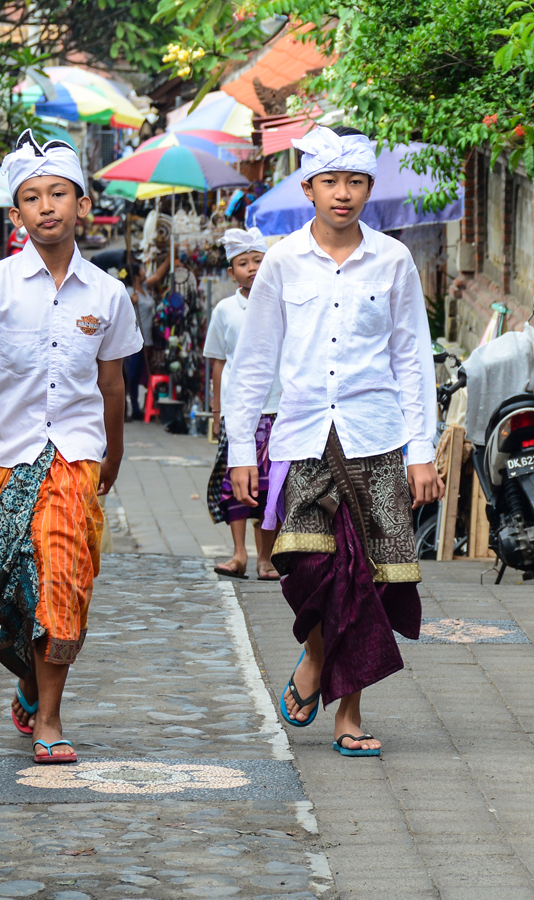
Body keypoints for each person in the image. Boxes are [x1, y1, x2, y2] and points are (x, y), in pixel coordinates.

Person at [225, 126, 443, 758]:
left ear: (369, 189)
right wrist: (243, 449)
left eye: (354, 183)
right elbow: (254, 361)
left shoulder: (394, 260)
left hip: (376, 438)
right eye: (330, 183)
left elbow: (412, 358)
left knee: (371, 577)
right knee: (312, 566)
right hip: (303, 438)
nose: (342, 194)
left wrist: (421, 451)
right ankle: (316, 657)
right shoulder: (283, 262)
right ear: (308, 188)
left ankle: (349, 711)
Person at [0, 129, 141, 765]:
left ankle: (50, 719)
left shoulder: (107, 293)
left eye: (59, 194)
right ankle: (28, 681)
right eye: (32, 196)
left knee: (62, 578)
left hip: (76, 456)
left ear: (82, 204)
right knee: (9, 592)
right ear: (17, 210)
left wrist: (114, 453)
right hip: (4, 456)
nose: (47, 206)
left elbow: (113, 387)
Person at [204, 227, 281, 580]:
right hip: (240, 413)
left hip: (278, 409)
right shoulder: (224, 310)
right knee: (235, 484)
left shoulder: (283, 304)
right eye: (242, 263)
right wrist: (218, 412)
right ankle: (239, 554)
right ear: (231, 271)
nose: (251, 268)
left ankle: (266, 557)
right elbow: (219, 363)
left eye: (258, 261)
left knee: (270, 487)